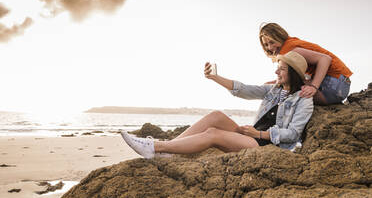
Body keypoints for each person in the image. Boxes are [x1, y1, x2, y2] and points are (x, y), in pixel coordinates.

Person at [120, 51, 314, 159]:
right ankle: (168, 150)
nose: (276, 73)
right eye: (276, 68)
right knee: (216, 116)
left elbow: (294, 134)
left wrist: (260, 134)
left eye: (281, 69)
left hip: (269, 146)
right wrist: (214, 77)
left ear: (294, 73)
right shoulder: (273, 90)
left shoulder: (303, 100)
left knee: (213, 134)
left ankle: (156, 147)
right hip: (252, 137)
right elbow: (244, 89)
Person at [259, 22, 352, 105]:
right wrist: (278, 81)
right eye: (266, 45)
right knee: (279, 87)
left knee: (284, 91)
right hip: (340, 85)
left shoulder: (290, 49)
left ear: (279, 37)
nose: (270, 48)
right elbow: (296, 76)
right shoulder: (290, 45)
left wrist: (313, 87)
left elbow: (325, 59)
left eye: (272, 42)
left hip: (335, 84)